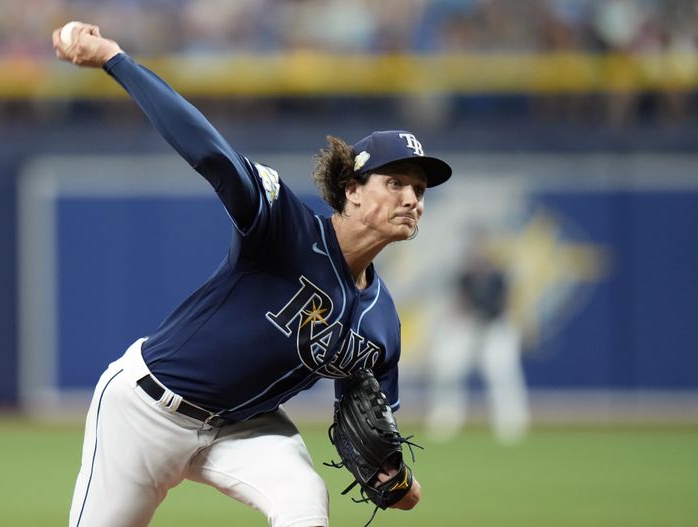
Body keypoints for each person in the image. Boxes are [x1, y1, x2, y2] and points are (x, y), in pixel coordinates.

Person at [52, 21, 452, 527]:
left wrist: (393, 476)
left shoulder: (382, 322)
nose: (411, 199)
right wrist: (115, 58)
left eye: (419, 190)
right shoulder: (284, 225)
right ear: (352, 189)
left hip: (245, 428)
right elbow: (211, 152)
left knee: (304, 500)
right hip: (144, 410)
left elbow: (375, 426)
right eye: (395, 183)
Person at [426, 226, 530, 444]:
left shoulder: (499, 275)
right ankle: (445, 420)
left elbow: (506, 302)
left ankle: (511, 425)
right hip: (470, 326)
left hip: (494, 326)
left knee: (502, 374)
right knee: (448, 370)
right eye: (476, 246)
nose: (479, 251)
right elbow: (459, 303)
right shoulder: (464, 276)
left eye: (483, 246)